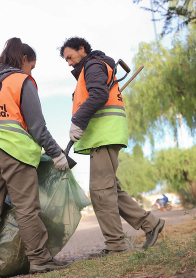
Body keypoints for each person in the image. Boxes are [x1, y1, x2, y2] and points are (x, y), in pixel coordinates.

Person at [0, 38, 69, 278]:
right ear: (24, 59)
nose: (31, 71)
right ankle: (39, 260)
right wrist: (57, 154)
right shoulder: (21, 81)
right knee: (26, 207)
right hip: (13, 151)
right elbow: (37, 126)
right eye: (32, 67)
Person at [59, 37, 165, 254]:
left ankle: (116, 245)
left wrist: (77, 121)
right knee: (110, 189)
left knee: (100, 192)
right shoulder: (94, 66)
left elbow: (98, 94)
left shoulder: (93, 64)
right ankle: (151, 224)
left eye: (69, 57)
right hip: (104, 135)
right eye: (65, 60)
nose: (68, 63)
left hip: (104, 136)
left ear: (82, 49)